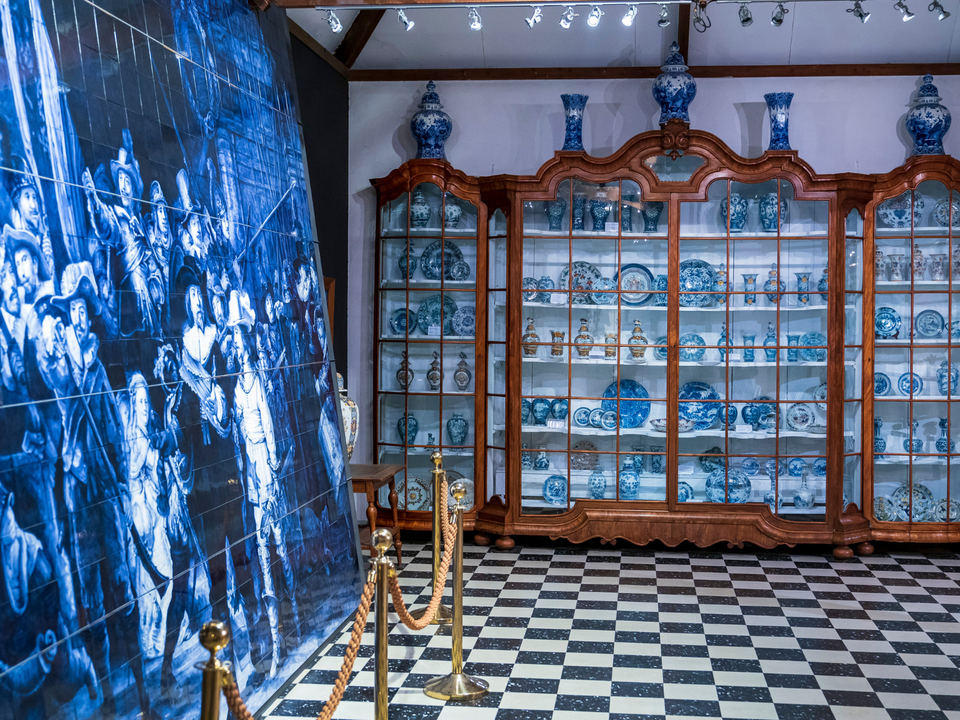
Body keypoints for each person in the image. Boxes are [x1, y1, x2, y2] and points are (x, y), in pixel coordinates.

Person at [38, 261, 158, 720]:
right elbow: (51, 377)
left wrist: (123, 485)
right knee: (91, 598)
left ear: (88, 317)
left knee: (122, 591)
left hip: (106, 492)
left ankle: (143, 696)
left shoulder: (98, 372)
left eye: (82, 310)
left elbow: (115, 435)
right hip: (78, 494)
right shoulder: (62, 369)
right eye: (70, 311)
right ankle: (109, 698)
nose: (77, 317)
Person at [229, 289, 297, 678]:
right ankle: (276, 639)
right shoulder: (236, 386)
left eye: (242, 345)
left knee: (279, 543)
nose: (239, 351)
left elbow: (268, 428)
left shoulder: (256, 383)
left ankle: (293, 616)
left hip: (264, 467)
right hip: (248, 473)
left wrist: (270, 466)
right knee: (260, 546)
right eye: (235, 346)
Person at [80, 130, 160, 337]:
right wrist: (93, 200)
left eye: (127, 181)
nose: (123, 187)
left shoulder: (140, 223)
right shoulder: (117, 216)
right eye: (120, 180)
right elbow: (105, 225)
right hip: (131, 304)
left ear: (134, 188)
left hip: (150, 300)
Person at [120, 372, 175, 659]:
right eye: (138, 402)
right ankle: (149, 637)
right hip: (143, 522)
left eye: (146, 401)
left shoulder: (148, 431)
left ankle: (157, 632)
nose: (143, 407)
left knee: (168, 579)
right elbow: (131, 476)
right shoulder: (134, 438)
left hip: (156, 516)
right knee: (148, 588)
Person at [4, 155, 53, 274]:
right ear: (17, 203)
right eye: (27, 197)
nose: (33, 205)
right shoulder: (11, 243)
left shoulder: (43, 238)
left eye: (34, 198)